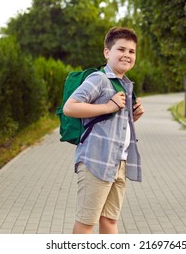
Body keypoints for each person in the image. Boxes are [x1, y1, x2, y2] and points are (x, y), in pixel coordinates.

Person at [63, 27, 145, 234]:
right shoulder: (100, 79)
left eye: (131, 51)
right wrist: (108, 106)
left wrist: (132, 117)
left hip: (119, 161)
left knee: (109, 221)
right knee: (86, 223)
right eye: (121, 49)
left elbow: (112, 123)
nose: (127, 55)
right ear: (107, 52)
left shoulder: (126, 85)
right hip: (96, 161)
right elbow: (70, 107)